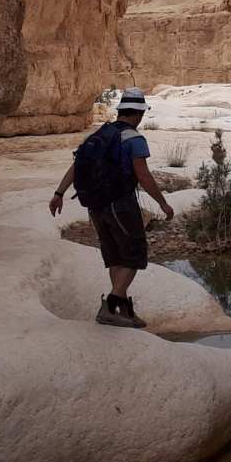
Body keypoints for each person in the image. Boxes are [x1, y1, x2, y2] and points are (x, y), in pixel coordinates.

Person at [49, 87, 174, 328]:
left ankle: (123, 311)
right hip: (120, 203)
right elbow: (143, 175)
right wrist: (162, 202)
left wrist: (59, 193)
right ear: (138, 113)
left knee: (115, 254)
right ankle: (111, 306)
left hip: (95, 205)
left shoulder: (99, 134)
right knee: (135, 253)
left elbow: (77, 167)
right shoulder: (133, 138)